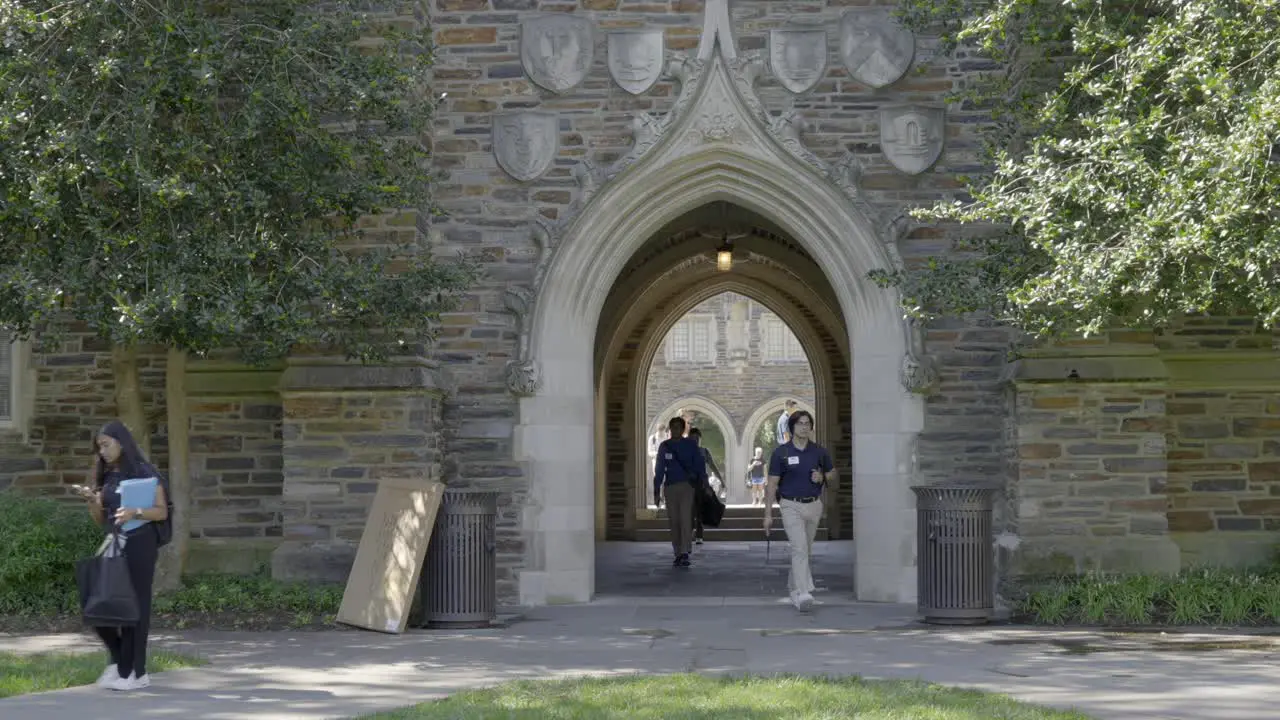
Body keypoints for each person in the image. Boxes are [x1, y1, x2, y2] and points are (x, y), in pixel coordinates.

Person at [73, 420, 170, 691]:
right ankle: (118, 661)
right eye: (99, 447)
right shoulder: (108, 476)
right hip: (114, 541)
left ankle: (136, 673)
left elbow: (161, 512)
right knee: (96, 601)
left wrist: (135, 512)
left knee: (135, 607)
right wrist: (93, 502)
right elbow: (101, 519)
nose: (102, 451)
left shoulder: (144, 472)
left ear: (121, 442)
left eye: (106, 444)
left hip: (141, 543)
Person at [762, 410, 835, 612]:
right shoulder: (781, 453)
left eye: (807, 423)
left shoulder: (819, 452)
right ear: (792, 427)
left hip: (814, 504)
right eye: (800, 423)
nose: (804, 427)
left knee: (805, 550)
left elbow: (833, 474)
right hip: (789, 505)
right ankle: (804, 593)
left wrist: (823, 477)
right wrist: (767, 515)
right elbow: (771, 485)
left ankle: (793, 587)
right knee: (799, 548)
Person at [652, 415, 706, 567]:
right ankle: (677, 551)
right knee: (674, 520)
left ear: (683, 430)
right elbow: (659, 469)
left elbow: (699, 464)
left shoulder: (690, 445)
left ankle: (685, 551)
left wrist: (704, 482)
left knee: (685, 518)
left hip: (687, 487)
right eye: (673, 427)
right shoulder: (664, 446)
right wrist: (657, 489)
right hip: (670, 487)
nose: (675, 430)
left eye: (678, 427)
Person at [687, 427, 723, 545]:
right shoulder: (685, 451)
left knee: (700, 510)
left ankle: (699, 536)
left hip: (701, 484)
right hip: (688, 484)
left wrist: (721, 480)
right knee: (689, 511)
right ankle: (688, 533)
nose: (695, 440)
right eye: (693, 438)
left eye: (697, 438)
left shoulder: (704, 451)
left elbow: (712, 466)